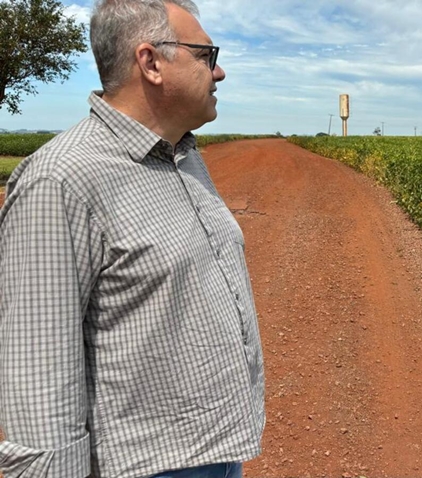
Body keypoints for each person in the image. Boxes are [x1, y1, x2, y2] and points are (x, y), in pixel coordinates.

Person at [0, 1, 265, 477]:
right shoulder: (62, 180)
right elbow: (38, 377)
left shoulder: (181, 154)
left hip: (216, 451)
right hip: (146, 467)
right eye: (206, 54)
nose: (219, 71)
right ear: (151, 63)